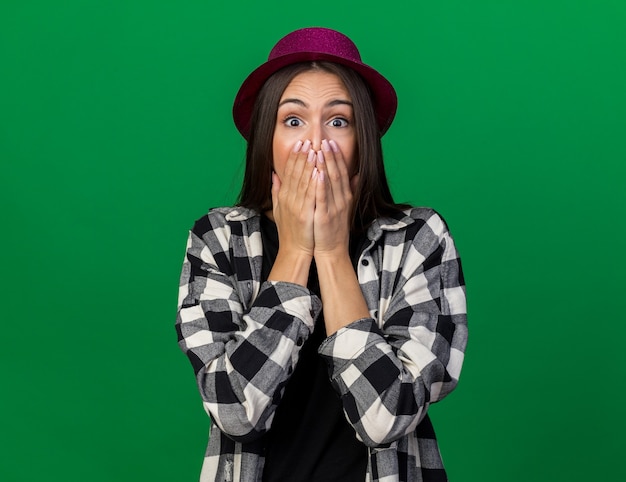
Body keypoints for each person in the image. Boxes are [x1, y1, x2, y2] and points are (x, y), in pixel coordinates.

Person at [176, 27, 468, 482]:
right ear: (265, 139)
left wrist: (331, 252)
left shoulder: (418, 237)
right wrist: (295, 249)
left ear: (362, 140)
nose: (316, 142)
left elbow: (387, 420)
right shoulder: (218, 240)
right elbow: (235, 412)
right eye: (293, 121)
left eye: (338, 121)